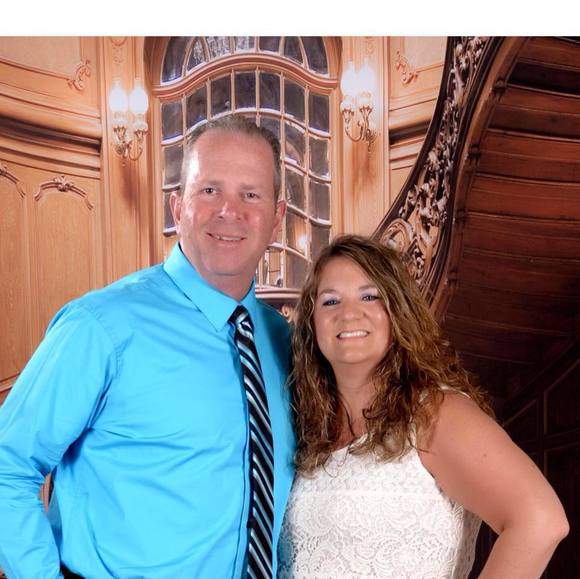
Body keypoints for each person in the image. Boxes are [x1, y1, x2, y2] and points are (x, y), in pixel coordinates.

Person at [0, 115, 295, 578]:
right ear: (178, 208)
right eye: (210, 189)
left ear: (276, 219)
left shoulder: (284, 342)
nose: (229, 210)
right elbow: (7, 465)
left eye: (251, 195)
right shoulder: (101, 327)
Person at [278, 235, 569, 578]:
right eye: (330, 301)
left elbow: (541, 520)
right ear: (312, 324)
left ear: (398, 311)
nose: (348, 313)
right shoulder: (309, 430)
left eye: (370, 296)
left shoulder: (435, 412)